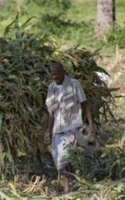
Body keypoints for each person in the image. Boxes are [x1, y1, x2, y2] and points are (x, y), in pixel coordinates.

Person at [45, 61, 95, 194]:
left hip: (72, 126)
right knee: (58, 157)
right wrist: (48, 131)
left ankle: (67, 188)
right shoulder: (51, 88)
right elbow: (51, 113)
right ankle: (72, 182)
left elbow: (85, 104)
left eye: (56, 73)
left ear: (63, 71)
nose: (54, 76)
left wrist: (90, 123)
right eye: (52, 74)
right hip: (57, 128)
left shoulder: (74, 84)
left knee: (63, 156)